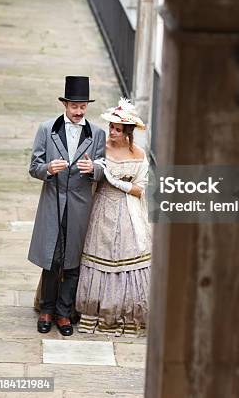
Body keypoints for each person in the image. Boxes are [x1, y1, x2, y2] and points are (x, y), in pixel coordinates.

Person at [28, 76, 106, 336]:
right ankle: (47, 309)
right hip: (53, 202)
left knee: (73, 260)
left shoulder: (96, 133)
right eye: (74, 106)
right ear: (64, 103)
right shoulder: (46, 128)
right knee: (52, 257)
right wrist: (48, 169)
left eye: (83, 106)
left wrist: (92, 168)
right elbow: (34, 167)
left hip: (80, 205)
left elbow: (103, 167)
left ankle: (64, 313)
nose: (78, 111)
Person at [76, 97, 151, 336]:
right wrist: (99, 173)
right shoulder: (101, 147)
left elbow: (141, 189)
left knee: (129, 256)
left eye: (118, 129)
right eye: (111, 127)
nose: (112, 132)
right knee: (99, 251)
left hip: (127, 210)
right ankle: (93, 310)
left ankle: (127, 314)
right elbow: (92, 171)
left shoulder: (139, 154)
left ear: (128, 133)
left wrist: (118, 182)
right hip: (101, 208)